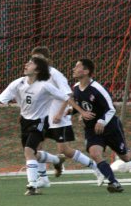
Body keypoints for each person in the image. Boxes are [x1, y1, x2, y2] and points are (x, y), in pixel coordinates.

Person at [0, 55, 70, 195]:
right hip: (25, 122)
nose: (26, 64)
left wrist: (66, 111)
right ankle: (57, 160)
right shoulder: (18, 83)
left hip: (40, 122)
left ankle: (32, 186)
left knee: (28, 151)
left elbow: (66, 97)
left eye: (30, 63)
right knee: (33, 154)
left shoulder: (45, 85)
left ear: (37, 70)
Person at [69, 58, 131, 193]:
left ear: (86, 71)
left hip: (110, 127)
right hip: (92, 129)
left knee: (125, 157)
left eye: (77, 67)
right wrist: (70, 112)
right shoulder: (76, 88)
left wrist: (101, 121)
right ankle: (113, 182)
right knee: (95, 153)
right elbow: (81, 105)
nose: (73, 69)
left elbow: (111, 108)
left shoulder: (97, 89)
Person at [30, 46, 104, 187]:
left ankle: (95, 167)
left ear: (47, 59)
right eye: (34, 58)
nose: (36, 61)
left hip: (59, 117)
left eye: (39, 58)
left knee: (64, 150)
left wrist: (59, 112)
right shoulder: (36, 76)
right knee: (36, 146)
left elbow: (68, 94)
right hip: (43, 117)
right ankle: (43, 178)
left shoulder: (55, 74)